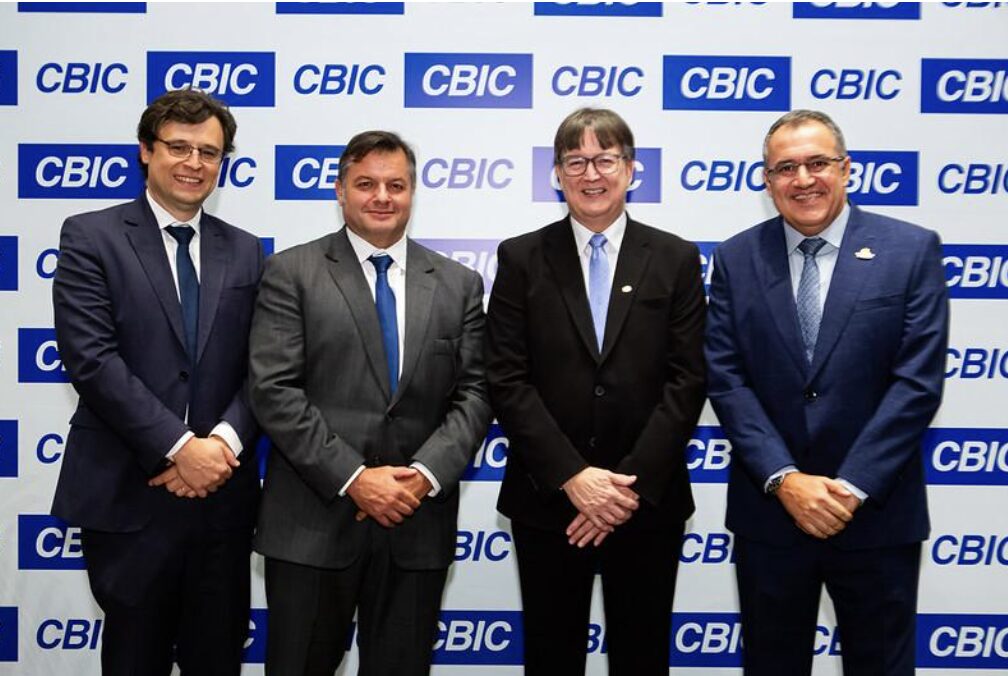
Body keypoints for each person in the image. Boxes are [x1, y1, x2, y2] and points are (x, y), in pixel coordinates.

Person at [705, 109, 949, 675]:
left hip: (875, 514)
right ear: (767, 181)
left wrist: (851, 487)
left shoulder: (910, 250)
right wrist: (785, 479)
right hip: (772, 515)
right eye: (785, 168)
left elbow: (917, 383)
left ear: (846, 169)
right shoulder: (735, 258)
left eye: (817, 163)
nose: (803, 179)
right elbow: (727, 378)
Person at [249, 130, 492, 676]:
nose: (382, 196)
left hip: (416, 525)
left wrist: (424, 476)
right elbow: (274, 390)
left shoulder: (458, 284)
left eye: (396, 185)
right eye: (366, 184)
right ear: (340, 191)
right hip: (312, 525)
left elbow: (476, 392)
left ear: (412, 192)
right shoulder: (291, 272)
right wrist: (355, 478)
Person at [485, 107, 707, 675]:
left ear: (630, 169)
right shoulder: (521, 257)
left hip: (646, 502)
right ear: (557, 174)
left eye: (605, 160)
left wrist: (623, 491)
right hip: (549, 501)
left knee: (642, 657)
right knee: (551, 657)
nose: (591, 174)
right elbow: (506, 378)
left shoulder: (676, 258)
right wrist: (574, 478)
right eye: (575, 161)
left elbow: (688, 380)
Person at [51, 89, 263, 675]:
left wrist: (219, 446)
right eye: (179, 147)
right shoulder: (90, 236)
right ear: (146, 151)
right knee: (133, 659)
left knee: (216, 659)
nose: (194, 163)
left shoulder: (246, 251)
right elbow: (91, 359)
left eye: (209, 152)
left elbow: (265, 367)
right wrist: (179, 447)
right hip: (129, 493)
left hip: (222, 497)